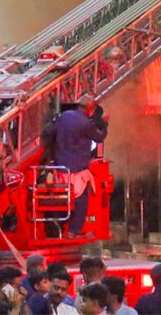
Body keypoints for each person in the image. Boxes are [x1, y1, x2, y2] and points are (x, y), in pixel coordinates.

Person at [51, 96, 108, 237]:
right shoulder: (85, 124)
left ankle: (56, 224)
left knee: (61, 198)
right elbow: (99, 138)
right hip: (77, 169)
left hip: (60, 168)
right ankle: (73, 231)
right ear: (90, 108)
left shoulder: (63, 117)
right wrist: (105, 125)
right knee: (81, 201)